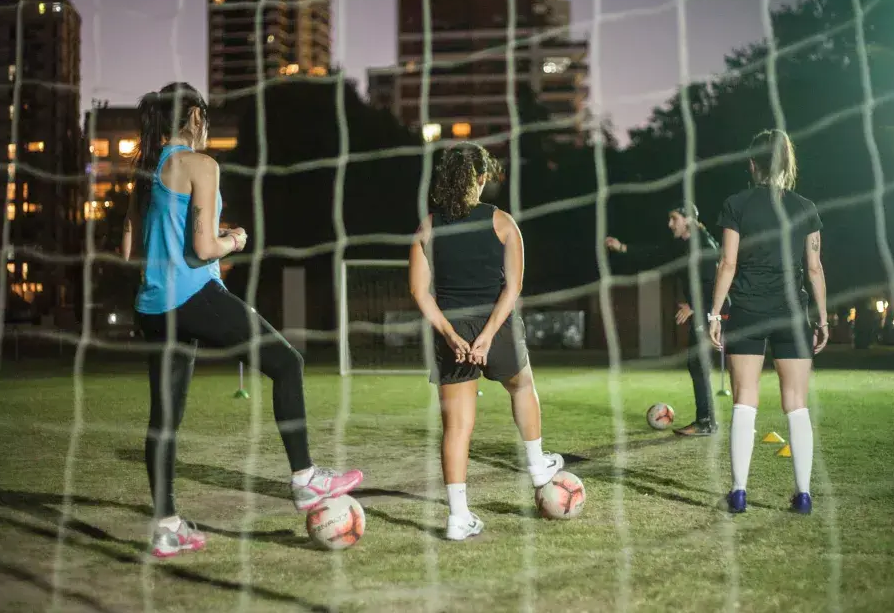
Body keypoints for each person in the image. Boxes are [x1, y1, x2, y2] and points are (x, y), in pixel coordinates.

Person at [122, 82, 363, 558]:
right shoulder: (200, 165)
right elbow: (203, 249)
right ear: (193, 116)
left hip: (153, 306)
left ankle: (166, 527)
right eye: (206, 119)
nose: (207, 128)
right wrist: (234, 238)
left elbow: (126, 249)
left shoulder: (143, 172)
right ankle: (305, 480)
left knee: (164, 420)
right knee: (286, 362)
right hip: (194, 295)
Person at [408, 142, 564, 541]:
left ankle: (458, 518)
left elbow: (420, 294)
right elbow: (513, 288)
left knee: (456, 428)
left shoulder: (427, 227)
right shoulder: (502, 222)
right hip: (498, 326)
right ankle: (536, 466)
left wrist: (452, 335)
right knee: (522, 385)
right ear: (480, 179)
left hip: (452, 331)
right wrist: (488, 336)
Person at [706, 129, 829, 515]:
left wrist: (714, 313)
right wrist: (822, 318)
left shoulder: (736, 204)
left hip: (747, 312)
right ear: (788, 164)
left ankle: (739, 492)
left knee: (745, 401)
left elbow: (728, 263)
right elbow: (814, 267)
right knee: (796, 404)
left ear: (752, 163)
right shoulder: (805, 207)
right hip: (793, 313)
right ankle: (804, 495)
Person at [606, 203, 722, 436]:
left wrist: (694, 306)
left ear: (688, 219)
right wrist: (623, 247)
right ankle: (707, 420)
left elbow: (715, 281)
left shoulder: (703, 244)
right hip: (703, 310)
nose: (670, 224)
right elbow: (656, 252)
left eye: (674, 218)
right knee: (697, 363)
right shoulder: (685, 245)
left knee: (698, 363)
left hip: (710, 310)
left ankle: (706, 422)